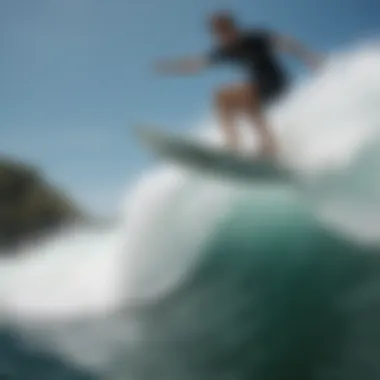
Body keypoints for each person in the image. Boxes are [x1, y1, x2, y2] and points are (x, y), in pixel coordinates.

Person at [155, 11, 322, 158]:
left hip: (277, 83)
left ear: (234, 28)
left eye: (225, 29)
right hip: (258, 90)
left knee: (245, 93)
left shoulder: (254, 39)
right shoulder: (224, 51)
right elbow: (197, 65)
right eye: (218, 32)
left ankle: (269, 146)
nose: (223, 36)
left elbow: (286, 42)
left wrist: (310, 57)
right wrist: (170, 67)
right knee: (222, 96)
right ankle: (234, 145)